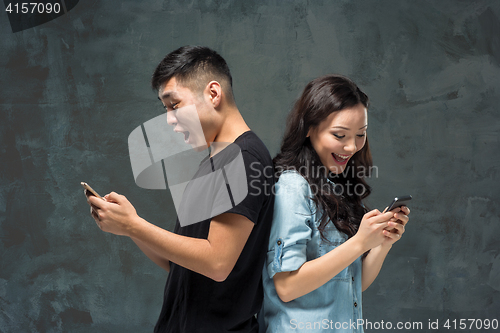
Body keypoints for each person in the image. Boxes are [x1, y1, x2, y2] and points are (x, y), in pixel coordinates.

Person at [86, 46, 275, 333]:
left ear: (213, 94)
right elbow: (182, 264)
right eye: (165, 109)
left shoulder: (244, 158)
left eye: (174, 105)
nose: (170, 120)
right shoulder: (213, 162)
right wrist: (128, 227)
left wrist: (135, 226)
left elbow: (217, 262)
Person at [259, 75, 410, 333]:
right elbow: (286, 287)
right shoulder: (293, 187)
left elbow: (352, 283)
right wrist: (360, 242)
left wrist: (381, 243)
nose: (351, 147)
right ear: (308, 128)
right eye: (340, 135)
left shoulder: (336, 185)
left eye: (360, 134)